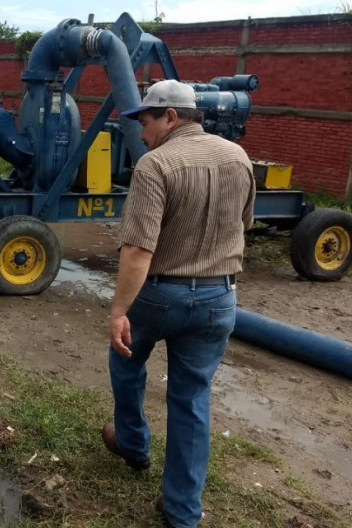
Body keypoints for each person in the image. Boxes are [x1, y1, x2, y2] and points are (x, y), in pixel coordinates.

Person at [101, 80, 255, 528]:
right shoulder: (238, 157)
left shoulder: (155, 165)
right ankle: (182, 513)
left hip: (160, 295)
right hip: (219, 299)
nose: (142, 132)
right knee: (191, 401)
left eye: (145, 122)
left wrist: (117, 313)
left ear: (170, 117)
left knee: (126, 360)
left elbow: (137, 252)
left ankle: (132, 445)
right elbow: (243, 224)